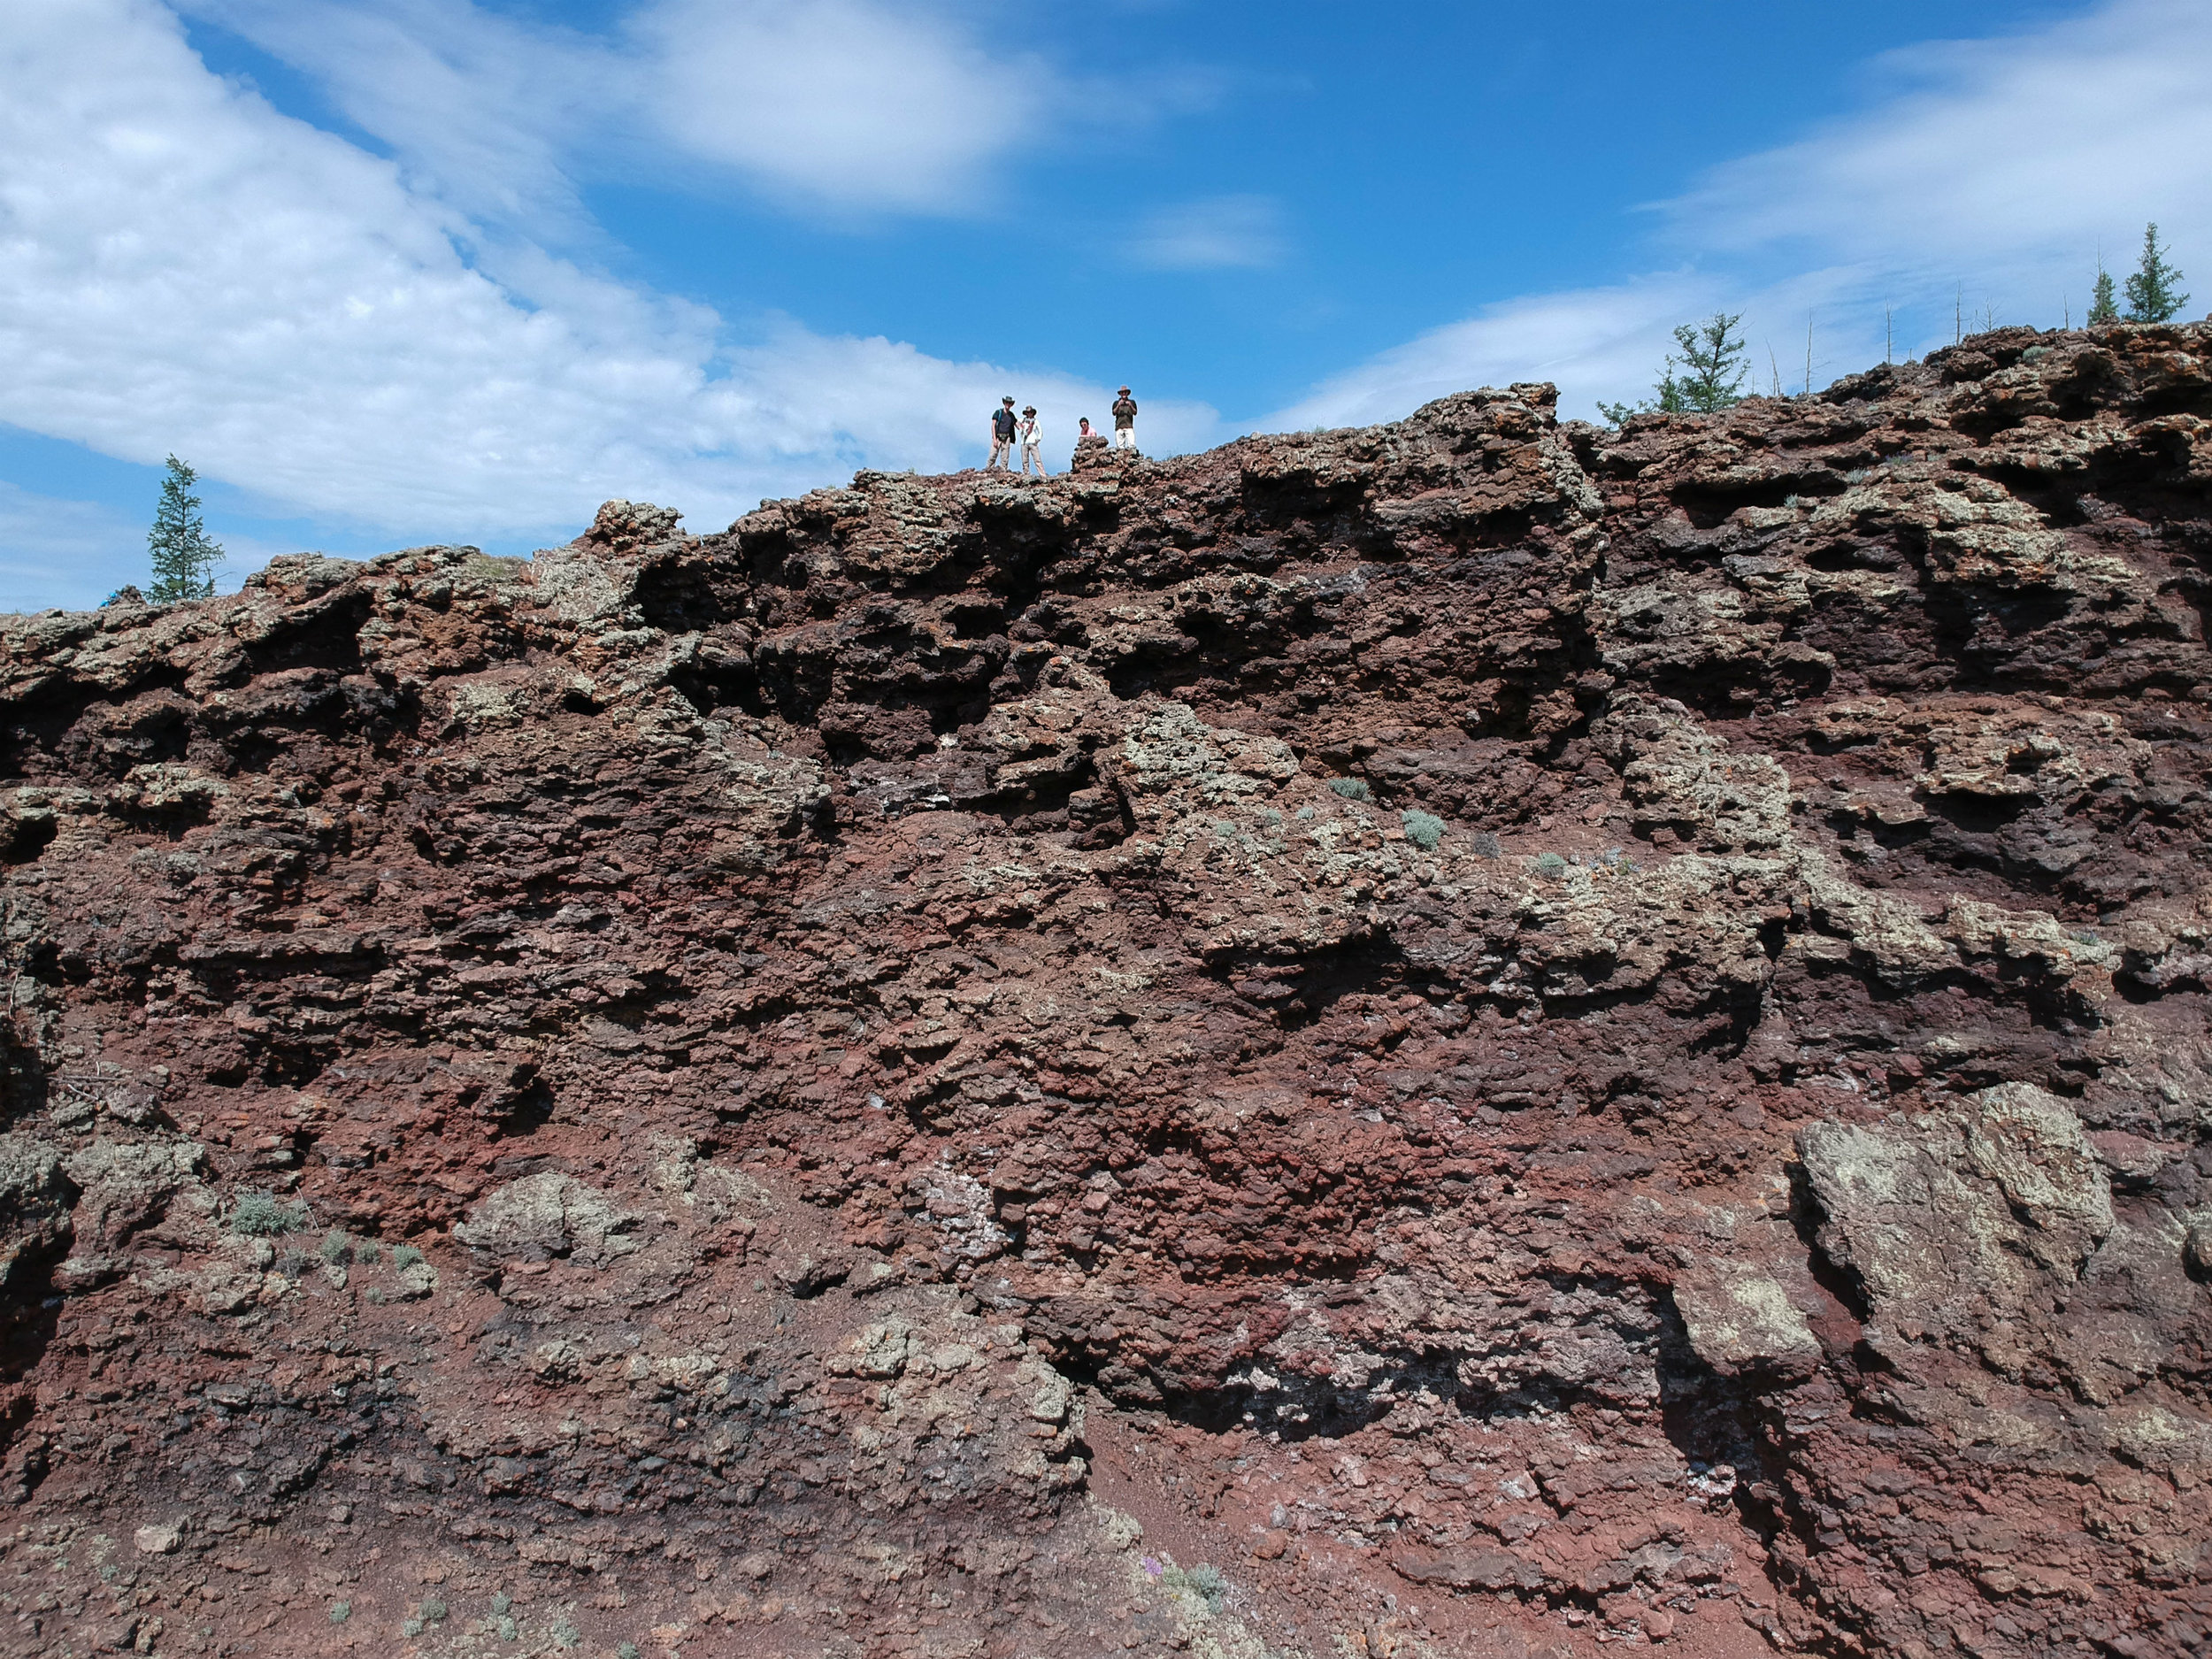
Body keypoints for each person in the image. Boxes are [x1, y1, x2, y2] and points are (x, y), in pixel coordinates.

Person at [987, 396, 1018, 470]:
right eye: (1007, 402)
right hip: (998, 437)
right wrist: (994, 439)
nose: (1008, 404)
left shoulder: (1011, 415)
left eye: (1010, 403)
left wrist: (1024, 427)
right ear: (1004, 403)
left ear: (1011, 405)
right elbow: (993, 425)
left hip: (1007, 437)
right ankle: (989, 470)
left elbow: (1017, 424)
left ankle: (1003, 472)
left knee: (1005, 458)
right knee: (993, 455)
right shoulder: (998, 412)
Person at [1018, 406, 1045, 476]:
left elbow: (1040, 431)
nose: (1029, 413)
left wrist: (1038, 439)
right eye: (1028, 412)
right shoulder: (1023, 421)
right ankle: (1026, 474)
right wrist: (1020, 428)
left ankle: (1042, 475)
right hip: (1024, 442)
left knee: (1037, 460)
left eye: (1030, 412)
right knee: (1025, 460)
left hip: (1033, 442)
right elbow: (1015, 421)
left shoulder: (1035, 421)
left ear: (1033, 413)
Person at [1111, 386, 1138, 452]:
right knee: (1120, 448)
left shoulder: (1132, 402)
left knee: (1132, 445)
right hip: (1119, 426)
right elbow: (1114, 413)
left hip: (1129, 426)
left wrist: (1130, 406)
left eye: (1125, 392)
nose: (1124, 394)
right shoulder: (1116, 403)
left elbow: (1135, 412)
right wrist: (1118, 405)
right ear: (1120, 394)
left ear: (1127, 393)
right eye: (1122, 392)